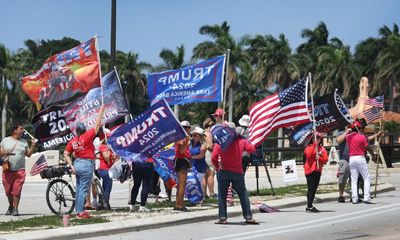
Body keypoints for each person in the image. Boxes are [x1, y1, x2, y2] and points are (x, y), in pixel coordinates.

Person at [64, 106, 105, 219]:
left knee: (79, 188)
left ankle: (78, 211)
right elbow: (97, 125)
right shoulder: (87, 136)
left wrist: (71, 165)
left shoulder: (73, 141)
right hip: (86, 164)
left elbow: (66, 153)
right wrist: (100, 111)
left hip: (77, 164)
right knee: (83, 189)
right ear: (84, 129)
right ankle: (80, 212)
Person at [211, 128, 258, 225]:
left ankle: (223, 218)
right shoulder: (241, 141)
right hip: (237, 171)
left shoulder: (220, 142)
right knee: (243, 194)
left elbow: (213, 157)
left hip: (223, 171)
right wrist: (246, 140)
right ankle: (248, 217)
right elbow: (252, 149)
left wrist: (217, 166)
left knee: (222, 195)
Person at [0, 124, 36, 216]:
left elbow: (28, 155)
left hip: (20, 170)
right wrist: (4, 152)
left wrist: (32, 145)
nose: (23, 131)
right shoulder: (5, 140)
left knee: (16, 191)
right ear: (14, 130)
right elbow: (0, 151)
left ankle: (15, 209)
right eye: (21, 129)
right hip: (7, 170)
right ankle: (11, 207)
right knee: (8, 192)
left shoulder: (24, 142)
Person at [346, 119, 376, 204]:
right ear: (359, 127)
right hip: (360, 157)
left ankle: (354, 198)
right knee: (366, 178)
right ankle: (367, 197)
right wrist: (373, 155)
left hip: (352, 158)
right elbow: (368, 147)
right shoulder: (362, 137)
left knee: (354, 179)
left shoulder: (348, 137)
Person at [303, 132, 328, 213]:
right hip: (310, 171)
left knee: (314, 189)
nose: (317, 139)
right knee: (311, 188)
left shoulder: (322, 149)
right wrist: (314, 145)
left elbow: (325, 160)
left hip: (318, 170)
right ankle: (309, 206)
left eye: (318, 138)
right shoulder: (308, 147)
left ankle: (310, 205)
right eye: (315, 138)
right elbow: (309, 155)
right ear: (312, 139)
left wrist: (319, 159)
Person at [173, 120, 192, 212]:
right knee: (182, 185)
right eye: (185, 127)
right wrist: (187, 140)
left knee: (181, 184)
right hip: (181, 160)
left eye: (188, 127)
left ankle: (178, 204)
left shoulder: (182, 136)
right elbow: (181, 151)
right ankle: (180, 205)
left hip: (183, 160)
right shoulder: (181, 137)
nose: (186, 129)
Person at [189, 126, 208, 202]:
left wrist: (191, 157)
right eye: (192, 135)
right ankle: (195, 198)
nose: (193, 137)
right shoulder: (191, 143)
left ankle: (201, 198)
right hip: (193, 165)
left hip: (200, 166)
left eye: (195, 135)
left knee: (198, 181)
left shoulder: (203, 144)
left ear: (200, 136)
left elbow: (201, 155)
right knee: (193, 182)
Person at [98, 143, 117, 209]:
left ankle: (100, 204)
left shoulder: (111, 147)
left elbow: (114, 159)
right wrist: (108, 149)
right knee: (108, 187)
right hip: (104, 169)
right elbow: (106, 157)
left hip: (108, 169)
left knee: (104, 187)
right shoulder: (103, 146)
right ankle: (105, 204)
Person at [203, 118, 217, 199]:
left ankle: (204, 194)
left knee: (204, 175)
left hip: (203, 154)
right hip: (208, 154)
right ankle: (211, 193)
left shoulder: (202, 133)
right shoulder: (208, 134)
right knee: (211, 174)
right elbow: (210, 146)